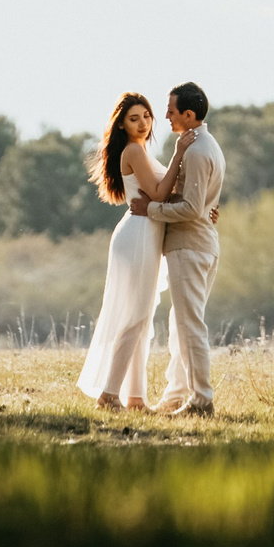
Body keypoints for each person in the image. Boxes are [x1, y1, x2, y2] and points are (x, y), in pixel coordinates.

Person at [76, 92, 177, 409]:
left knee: (141, 318)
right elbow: (159, 192)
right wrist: (181, 154)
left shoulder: (142, 150)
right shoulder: (134, 150)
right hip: (138, 235)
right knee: (134, 318)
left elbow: (165, 195)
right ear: (121, 125)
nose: (143, 123)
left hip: (142, 233)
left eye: (146, 116)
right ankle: (109, 394)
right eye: (134, 118)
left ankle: (136, 398)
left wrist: (200, 207)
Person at [131, 82, 225, 416]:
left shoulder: (198, 151)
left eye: (171, 110)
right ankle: (176, 396)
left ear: (189, 114)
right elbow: (201, 203)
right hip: (197, 245)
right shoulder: (202, 145)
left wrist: (150, 210)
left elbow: (192, 209)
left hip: (191, 246)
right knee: (180, 325)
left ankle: (201, 400)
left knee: (189, 326)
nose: (166, 116)